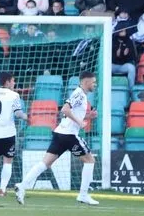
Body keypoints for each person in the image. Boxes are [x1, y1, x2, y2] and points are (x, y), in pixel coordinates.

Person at [14, 71, 99, 207]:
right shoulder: (79, 94)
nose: (95, 84)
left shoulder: (80, 95)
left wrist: (89, 117)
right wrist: (80, 122)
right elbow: (65, 110)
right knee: (90, 160)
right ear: (86, 82)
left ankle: (22, 186)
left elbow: (70, 113)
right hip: (69, 135)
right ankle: (83, 195)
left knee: (45, 163)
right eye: (93, 82)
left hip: (60, 133)